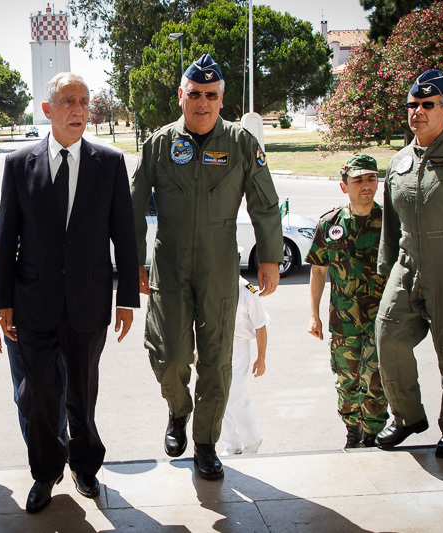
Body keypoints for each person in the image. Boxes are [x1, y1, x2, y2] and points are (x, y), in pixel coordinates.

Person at [131, 54, 283, 481]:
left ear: (222, 99)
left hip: (219, 265)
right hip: (169, 263)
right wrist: (135, 261)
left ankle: (205, 443)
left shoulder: (240, 143)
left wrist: (270, 257)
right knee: (170, 356)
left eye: (211, 95)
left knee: (216, 360)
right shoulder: (159, 144)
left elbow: (264, 202)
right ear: (181, 95)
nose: (202, 102)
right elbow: (133, 205)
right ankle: (178, 410)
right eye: (195, 94)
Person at [0, 73, 139, 513]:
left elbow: (124, 235)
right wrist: (2, 302)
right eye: (68, 101)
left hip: (88, 301)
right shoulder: (18, 164)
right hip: (34, 303)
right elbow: (6, 238)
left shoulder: (109, 163)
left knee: (82, 391)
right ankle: (45, 472)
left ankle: (85, 466)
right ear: (47, 109)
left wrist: (126, 299)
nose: (78, 109)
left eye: (84, 101)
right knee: (39, 394)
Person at [374, 69, 443, 459]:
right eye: (412, 104)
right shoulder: (399, 161)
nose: (417, 111)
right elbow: (391, 222)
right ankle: (407, 416)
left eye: (427, 104)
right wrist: (387, 270)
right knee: (387, 336)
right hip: (407, 264)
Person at [306, 154, 389, 449]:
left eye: (371, 179)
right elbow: (318, 270)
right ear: (344, 186)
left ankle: (372, 434)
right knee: (347, 380)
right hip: (344, 321)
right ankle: (353, 431)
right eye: (358, 180)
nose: (366, 185)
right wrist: (314, 315)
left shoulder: (391, 222)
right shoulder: (330, 224)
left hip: (382, 318)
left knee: (376, 380)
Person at [0, 212, 67, 444]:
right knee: (26, 394)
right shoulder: (2, 220)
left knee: (60, 390)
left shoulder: (63, 213)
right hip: (18, 326)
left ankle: (57, 442)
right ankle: (39, 450)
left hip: (61, 321)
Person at [219, 276, 270, 456]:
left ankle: (252, 440)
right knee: (218, 396)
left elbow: (260, 325)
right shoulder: (209, 282)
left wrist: (261, 358)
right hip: (213, 346)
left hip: (238, 347)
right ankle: (231, 444)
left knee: (235, 394)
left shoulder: (246, 290)